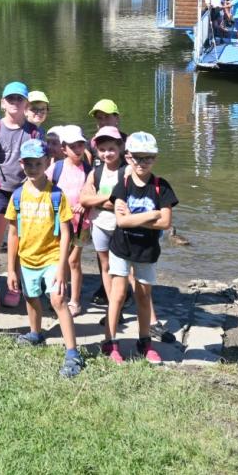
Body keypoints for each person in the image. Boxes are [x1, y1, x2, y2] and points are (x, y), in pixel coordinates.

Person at [5, 139, 84, 379]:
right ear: (22, 164)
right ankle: (35, 333)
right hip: (27, 259)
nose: (33, 168)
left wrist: (61, 268)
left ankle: (72, 352)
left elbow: (66, 234)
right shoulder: (17, 196)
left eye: (38, 163)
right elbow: (13, 234)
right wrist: (11, 269)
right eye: (28, 164)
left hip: (51, 257)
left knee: (58, 299)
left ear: (48, 162)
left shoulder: (56, 195)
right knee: (31, 298)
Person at [104, 132, 178, 365]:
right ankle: (110, 342)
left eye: (148, 158)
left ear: (155, 158)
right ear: (128, 157)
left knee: (144, 297)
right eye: (137, 157)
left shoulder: (161, 187)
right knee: (117, 294)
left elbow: (165, 223)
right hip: (121, 248)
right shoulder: (123, 185)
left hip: (147, 251)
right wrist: (151, 214)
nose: (142, 162)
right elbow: (121, 222)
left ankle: (144, 341)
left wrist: (135, 218)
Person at [0, 81, 42, 307]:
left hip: (24, 191)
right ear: (2, 103)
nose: (15, 102)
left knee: (18, 243)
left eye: (19, 98)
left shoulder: (34, 131)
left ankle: (13, 285)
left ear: (26, 103)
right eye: (10, 98)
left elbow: (38, 164)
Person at [79, 127, 125, 311]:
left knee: (125, 269)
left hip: (122, 226)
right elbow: (84, 200)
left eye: (111, 148)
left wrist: (97, 200)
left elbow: (126, 204)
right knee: (105, 266)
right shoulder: (95, 172)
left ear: (120, 147)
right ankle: (113, 309)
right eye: (102, 149)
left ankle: (134, 307)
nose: (107, 153)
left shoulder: (127, 171)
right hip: (99, 224)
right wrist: (109, 199)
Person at [52, 125, 92, 316]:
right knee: (59, 259)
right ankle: (61, 295)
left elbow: (93, 194)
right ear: (63, 148)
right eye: (72, 146)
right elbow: (45, 188)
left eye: (80, 145)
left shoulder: (89, 170)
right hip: (60, 223)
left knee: (74, 261)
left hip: (81, 223)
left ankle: (75, 301)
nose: (77, 149)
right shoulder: (56, 168)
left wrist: (85, 205)